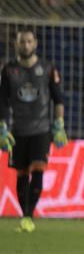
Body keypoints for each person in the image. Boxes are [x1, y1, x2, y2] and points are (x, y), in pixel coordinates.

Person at [0, 27, 68, 233]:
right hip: (17, 130)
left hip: (42, 129)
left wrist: (59, 125)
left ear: (36, 43)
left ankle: (28, 217)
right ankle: (25, 214)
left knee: (38, 170)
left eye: (29, 41)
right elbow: (2, 102)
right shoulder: (8, 70)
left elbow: (58, 99)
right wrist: (2, 127)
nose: (26, 45)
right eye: (22, 42)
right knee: (21, 175)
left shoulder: (47, 68)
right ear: (16, 44)